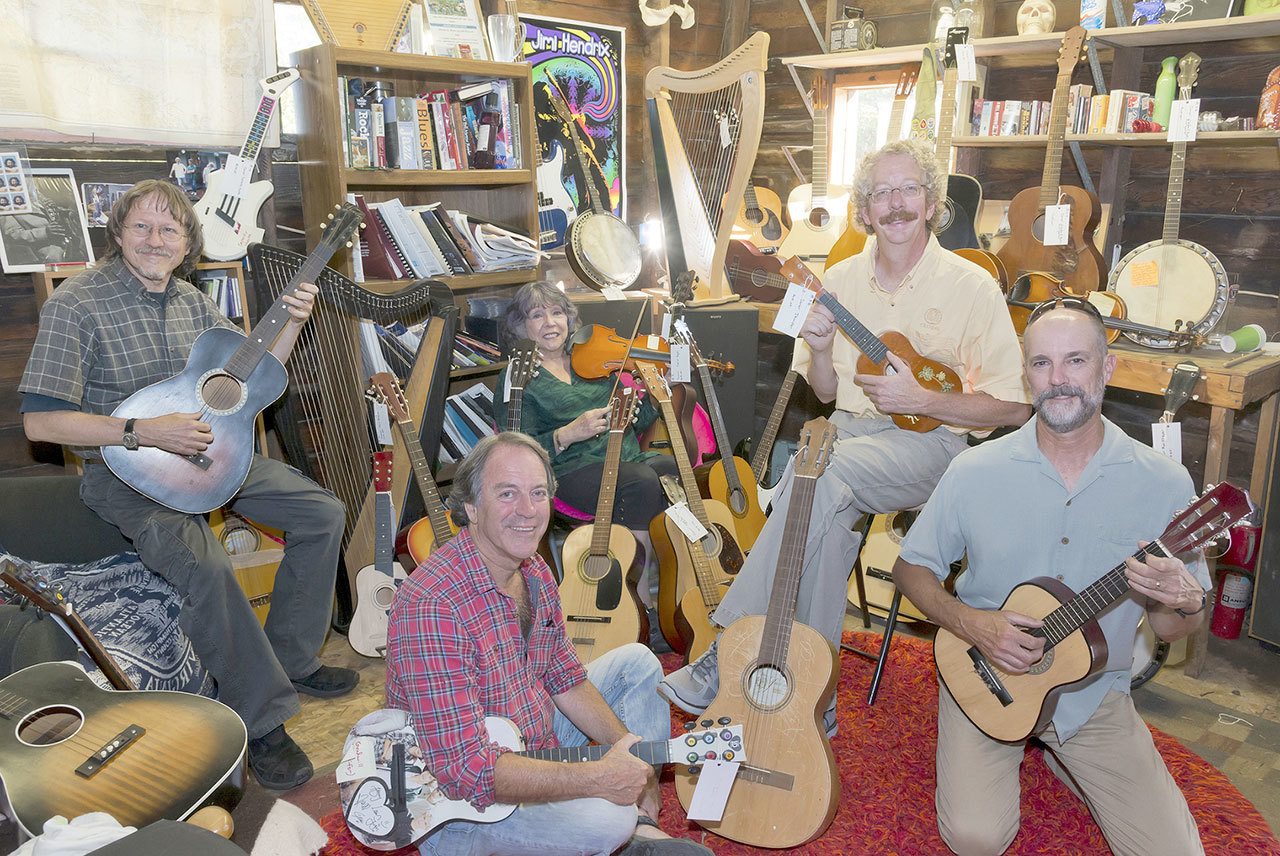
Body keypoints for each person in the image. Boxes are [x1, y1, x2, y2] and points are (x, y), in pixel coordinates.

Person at [658, 138, 1031, 726]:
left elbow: (1014, 407)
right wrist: (821, 347)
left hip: (931, 445)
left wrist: (925, 399)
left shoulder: (972, 285)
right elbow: (827, 394)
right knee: (826, 522)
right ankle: (816, 707)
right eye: (881, 193)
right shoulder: (838, 278)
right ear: (864, 210)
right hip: (845, 434)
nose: (896, 203)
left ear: (932, 202)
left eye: (908, 189)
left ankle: (726, 649)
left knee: (817, 474)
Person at [19, 179, 357, 790]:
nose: (156, 240)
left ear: (186, 243)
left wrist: (290, 322)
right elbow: (40, 423)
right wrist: (142, 431)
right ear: (118, 233)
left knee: (322, 512)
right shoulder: (76, 303)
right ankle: (262, 720)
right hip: (125, 473)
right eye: (142, 227)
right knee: (205, 563)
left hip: (209, 453)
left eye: (169, 229)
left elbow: (250, 376)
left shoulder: (192, 302)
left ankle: (292, 657)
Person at [892, 301, 1209, 855]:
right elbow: (910, 568)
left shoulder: (1163, 482)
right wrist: (972, 624)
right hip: (986, 674)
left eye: (1076, 360)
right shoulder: (975, 469)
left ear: (1107, 368)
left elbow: (1171, 629)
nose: (1058, 379)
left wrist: (1183, 603)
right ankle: (1035, 750)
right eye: (1042, 363)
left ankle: (1070, 753)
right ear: (1026, 374)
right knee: (976, 838)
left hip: (1092, 695)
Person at [385, 432, 711, 856]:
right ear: (471, 507)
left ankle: (638, 828)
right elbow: (467, 772)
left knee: (638, 661)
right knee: (609, 819)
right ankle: (619, 829)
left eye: (538, 493)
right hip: (463, 809)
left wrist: (632, 757)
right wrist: (599, 779)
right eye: (507, 493)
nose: (527, 510)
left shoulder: (533, 570)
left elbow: (566, 678)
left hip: (531, 742)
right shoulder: (432, 605)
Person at [492, 281, 678, 607]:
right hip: (569, 470)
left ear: (569, 318)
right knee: (641, 481)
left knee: (667, 468)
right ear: (521, 326)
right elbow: (516, 449)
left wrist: (655, 394)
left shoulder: (591, 360)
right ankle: (637, 592)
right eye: (537, 315)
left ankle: (667, 578)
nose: (550, 323)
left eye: (557, 313)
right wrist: (568, 433)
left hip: (625, 457)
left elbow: (637, 421)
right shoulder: (519, 377)